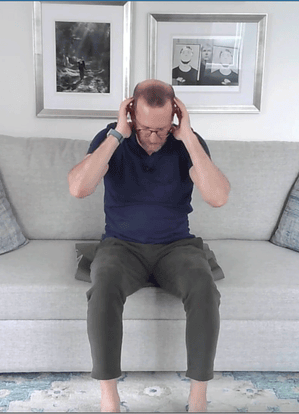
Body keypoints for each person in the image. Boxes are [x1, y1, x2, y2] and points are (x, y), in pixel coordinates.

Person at [68, 79, 230, 412]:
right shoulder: (111, 138)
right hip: (120, 246)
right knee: (104, 285)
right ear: (130, 114)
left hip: (176, 247)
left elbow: (217, 197)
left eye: (162, 129)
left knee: (203, 286)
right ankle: (109, 398)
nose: (154, 138)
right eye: (145, 129)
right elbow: (79, 188)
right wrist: (118, 134)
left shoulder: (186, 141)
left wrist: (187, 137)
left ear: (175, 116)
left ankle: (198, 398)